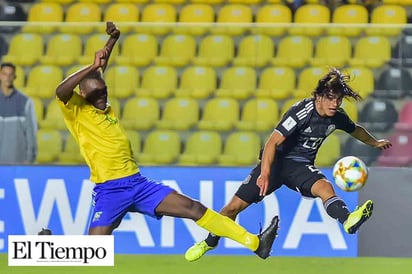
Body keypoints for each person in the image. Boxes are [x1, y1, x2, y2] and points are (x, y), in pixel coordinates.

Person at [55, 21, 279, 260]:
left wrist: (113, 40)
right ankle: (46, 248)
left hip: (138, 184)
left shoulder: (103, 106)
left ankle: (256, 244)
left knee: (194, 208)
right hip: (110, 190)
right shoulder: (77, 110)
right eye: (98, 94)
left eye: (105, 90)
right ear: (83, 95)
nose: (104, 96)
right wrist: (91, 66)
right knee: (91, 253)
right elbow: (60, 90)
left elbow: (100, 69)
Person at [184, 68, 392, 262]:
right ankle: (209, 243)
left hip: (300, 167)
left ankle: (348, 220)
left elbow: (355, 129)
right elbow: (272, 142)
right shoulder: (301, 112)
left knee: (324, 187)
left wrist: (375, 142)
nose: (335, 104)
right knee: (233, 208)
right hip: (276, 163)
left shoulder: (337, 117)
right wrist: (264, 173)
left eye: (338, 99)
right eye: (330, 98)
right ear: (318, 96)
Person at [0, 62, 37, 164]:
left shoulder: (25, 102)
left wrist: (29, 158)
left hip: (17, 163)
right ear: (0, 75)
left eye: (10, 74)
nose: (7, 77)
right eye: (4, 74)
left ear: (14, 76)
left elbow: (31, 132)